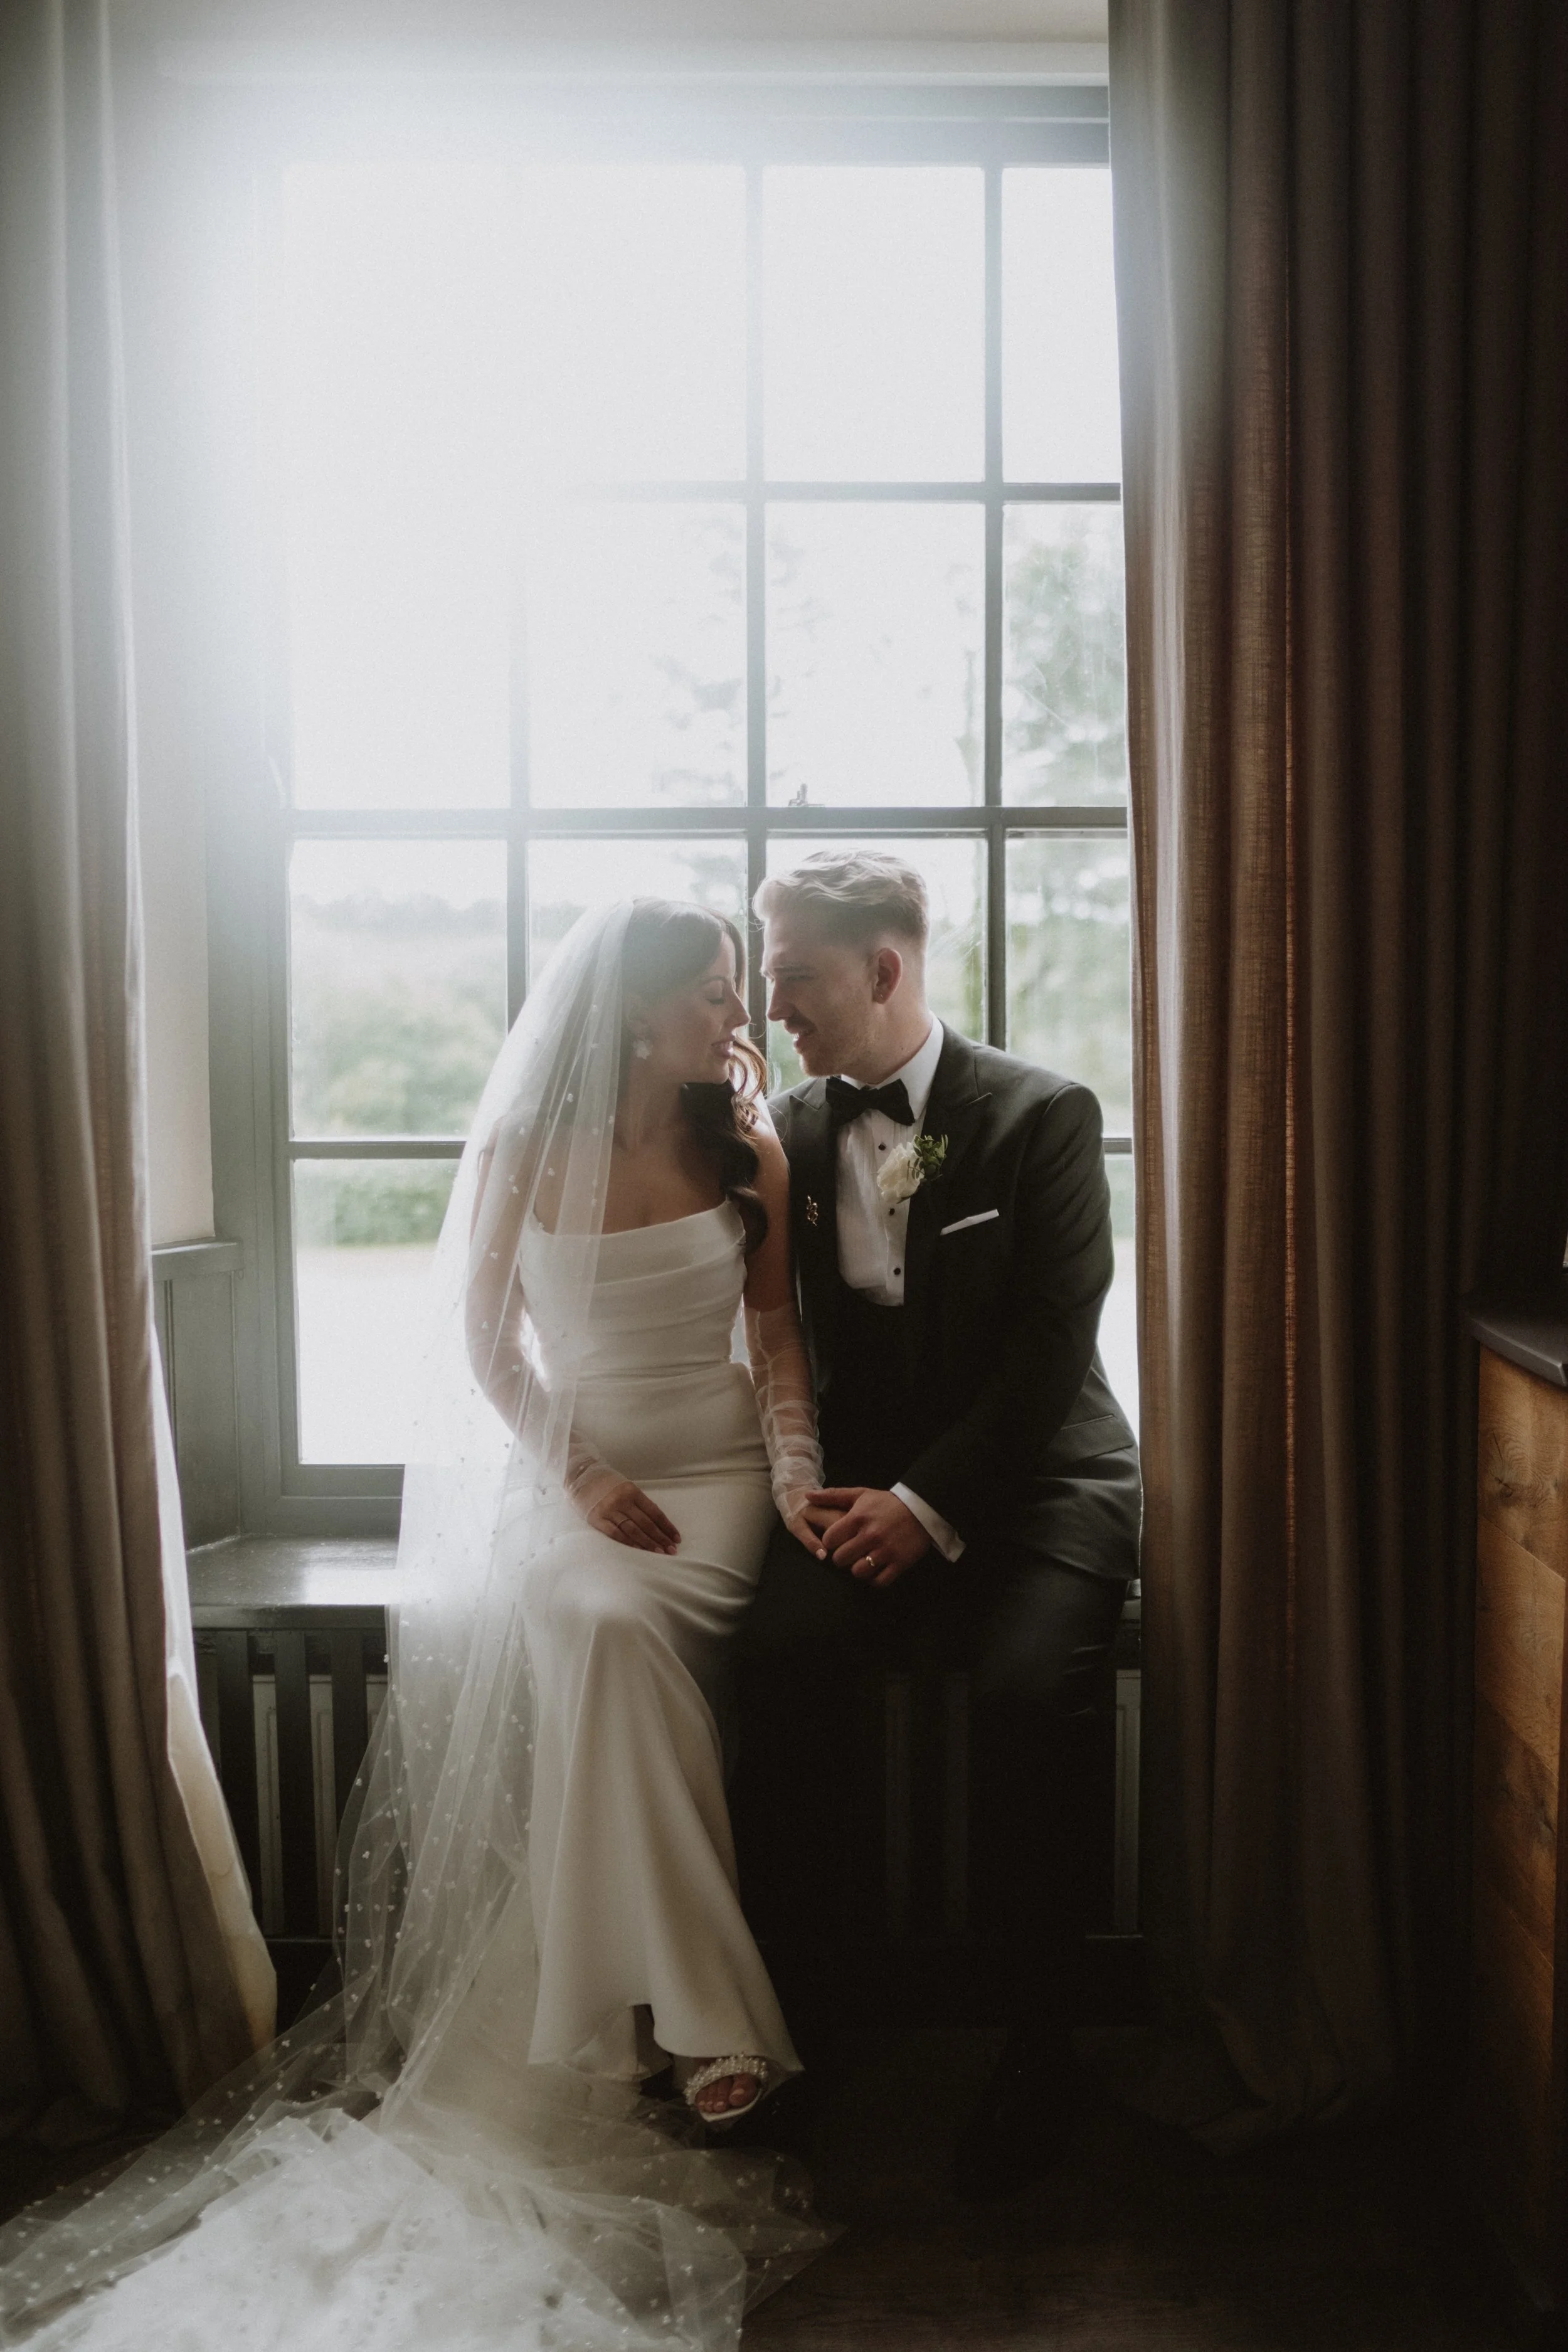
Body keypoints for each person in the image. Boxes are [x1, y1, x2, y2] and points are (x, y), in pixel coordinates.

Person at [0, 901, 830, 2351]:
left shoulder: (743, 1145)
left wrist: (799, 1479)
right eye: (708, 993)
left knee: (620, 1643)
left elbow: (772, 1344)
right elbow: (483, 1340)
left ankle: (671, 2024)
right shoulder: (525, 1149)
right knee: (594, 1627)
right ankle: (708, 2027)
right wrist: (575, 1473)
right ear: (635, 1016)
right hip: (590, 1497)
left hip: (720, 1490)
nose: (733, 1013)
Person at [736, 849, 1140, 2201]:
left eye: (789, 970)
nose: (771, 997)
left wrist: (930, 1507)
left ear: (883, 968)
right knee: (779, 1663)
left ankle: (1041, 2048)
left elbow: (1047, 1352)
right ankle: (810, 2022)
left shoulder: (1038, 1117)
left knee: (1031, 1699)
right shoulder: (786, 1132)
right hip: (864, 1489)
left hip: (1038, 1486)